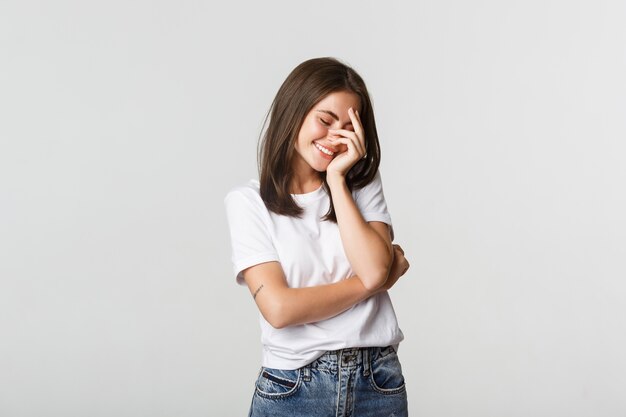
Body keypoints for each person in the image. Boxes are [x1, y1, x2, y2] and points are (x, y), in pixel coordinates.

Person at [224, 57, 410, 417]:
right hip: (294, 387)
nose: (334, 138)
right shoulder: (248, 203)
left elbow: (371, 268)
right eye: (325, 121)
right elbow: (278, 309)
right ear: (293, 112)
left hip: (377, 381)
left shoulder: (360, 185)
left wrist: (339, 181)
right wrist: (377, 282)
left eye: (348, 127)